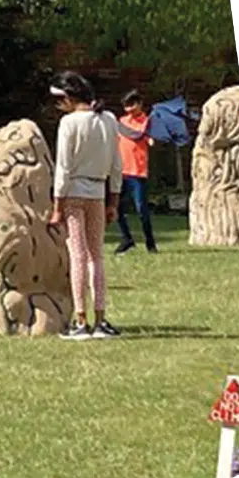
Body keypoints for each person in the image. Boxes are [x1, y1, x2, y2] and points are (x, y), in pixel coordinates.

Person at [48, 71, 123, 341]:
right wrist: (114, 200)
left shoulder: (70, 123)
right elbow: (117, 164)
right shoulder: (109, 120)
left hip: (75, 192)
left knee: (78, 255)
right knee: (96, 257)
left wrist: (58, 205)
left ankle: (81, 320)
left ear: (68, 98)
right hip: (98, 191)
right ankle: (100, 319)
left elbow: (63, 168)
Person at [115, 89, 158, 255]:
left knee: (142, 210)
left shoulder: (147, 122)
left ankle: (150, 243)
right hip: (121, 171)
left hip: (138, 172)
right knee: (116, 208)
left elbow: (142, 136)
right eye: (126, 106)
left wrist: (150, 139)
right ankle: (127, 239)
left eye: (132, 105)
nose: (129, 109)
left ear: (140, 104)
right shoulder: (122, 122)